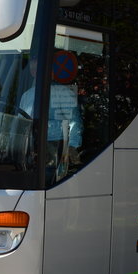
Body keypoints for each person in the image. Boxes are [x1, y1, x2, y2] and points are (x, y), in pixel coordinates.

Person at [20, 51, 83, 179]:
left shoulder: (63, 93)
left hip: (56, 146)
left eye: (39, 67)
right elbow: (21, 123)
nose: (36, 71)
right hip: (31, 147)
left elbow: (74, 121)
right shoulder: (27, 95)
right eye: (33, 68)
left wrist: (72, 147)